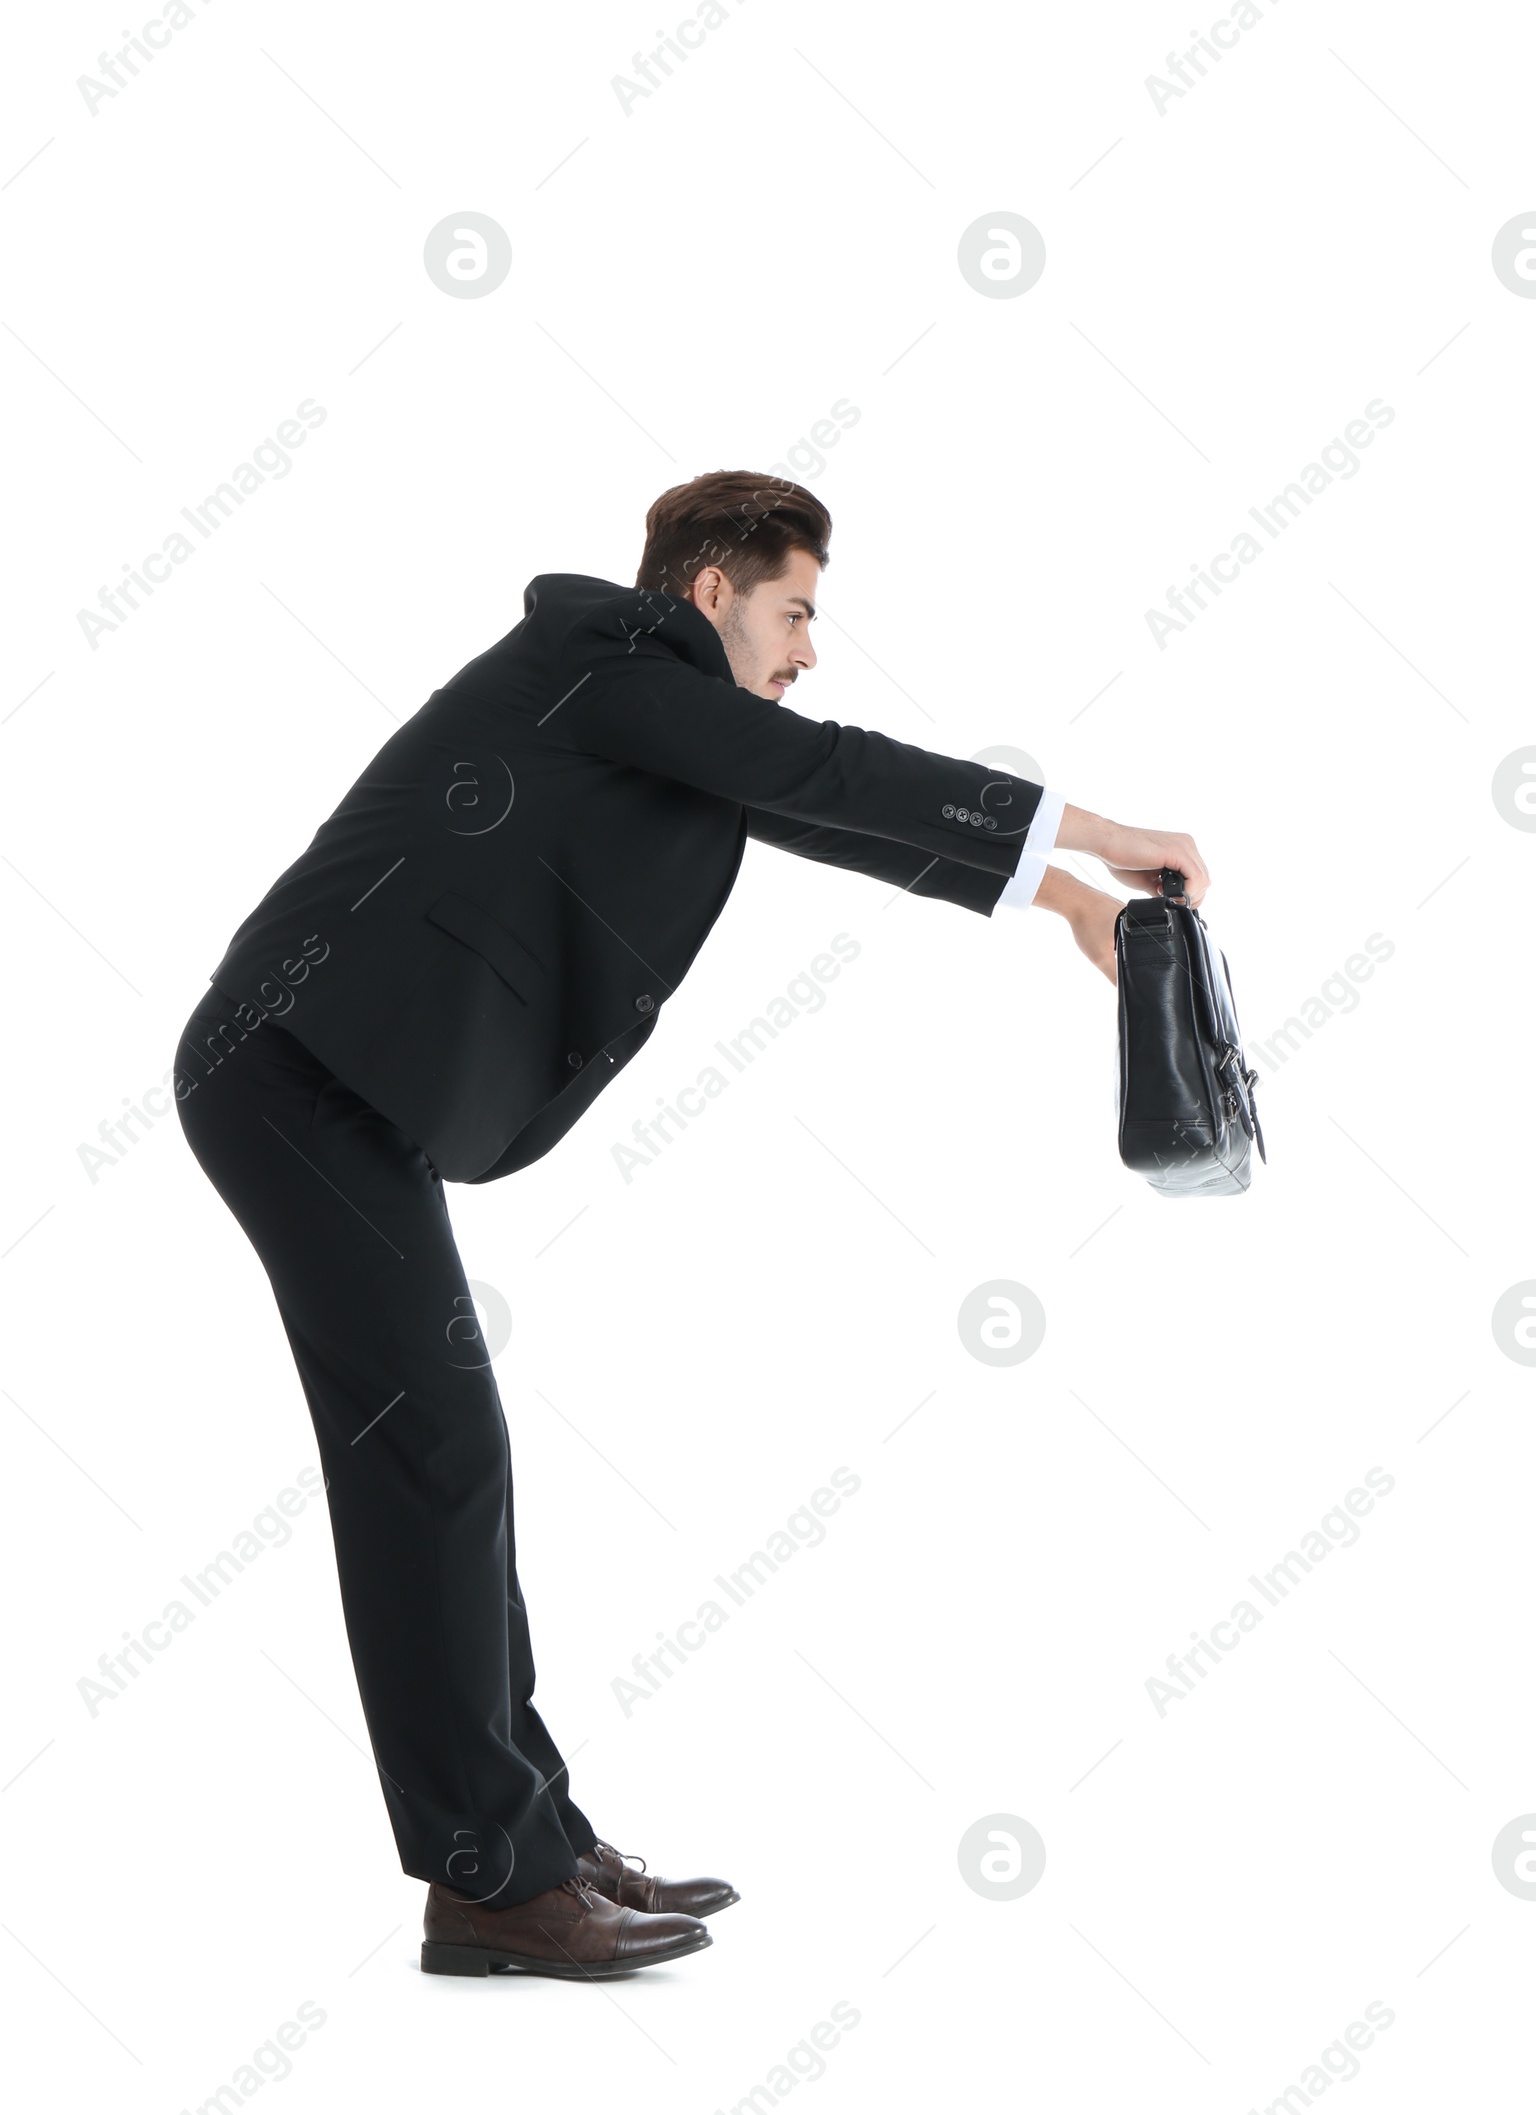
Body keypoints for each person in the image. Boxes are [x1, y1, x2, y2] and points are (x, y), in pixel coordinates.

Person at [173, 471, 1209, 1981]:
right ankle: (487, 1878)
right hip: (287, 1074)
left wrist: (1063, 895)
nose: (806, 650)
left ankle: (522, 1839)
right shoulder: (600, 663)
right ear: (711, 588)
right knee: (434, 1448)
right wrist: (1100, 840)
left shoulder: (653, 712)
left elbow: (822, 804)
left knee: (448, 1448)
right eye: (794, 611)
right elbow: (834, 768)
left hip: (341, 1094)